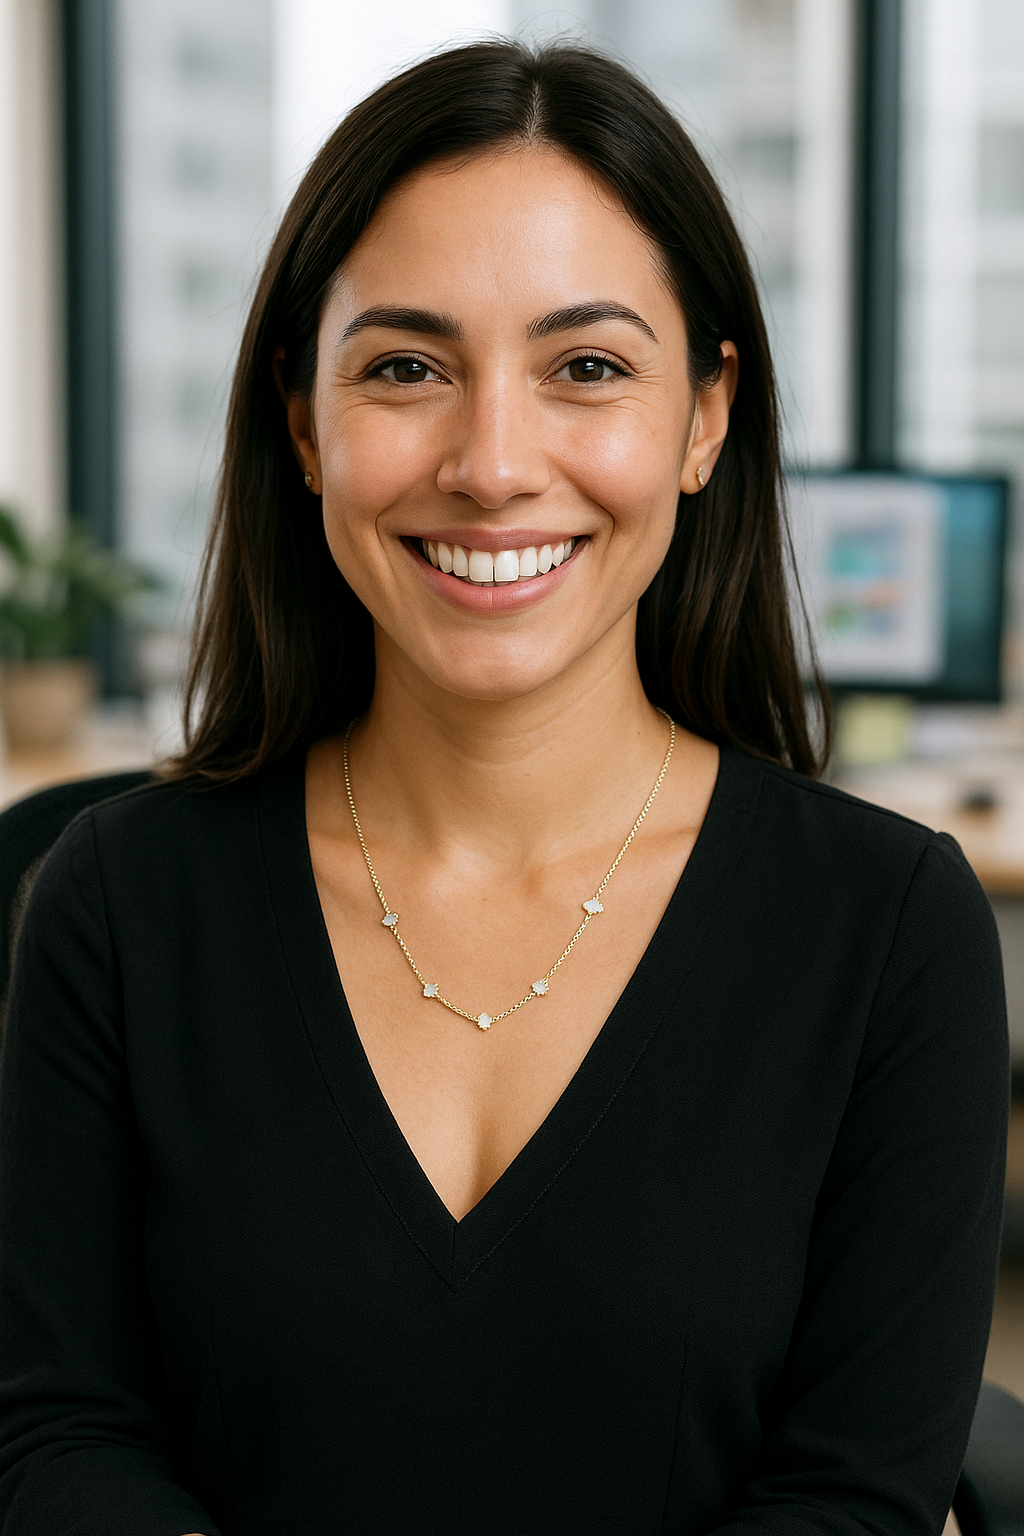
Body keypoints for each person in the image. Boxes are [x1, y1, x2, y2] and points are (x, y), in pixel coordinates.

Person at [0, 40, 1008, 1536]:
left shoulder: (888, 925)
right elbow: (60, 1436)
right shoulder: (116, 899)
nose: (490, 463)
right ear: (301, 421)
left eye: (586, 368)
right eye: (406, 368)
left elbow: (855, 1500)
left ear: (707, 418)